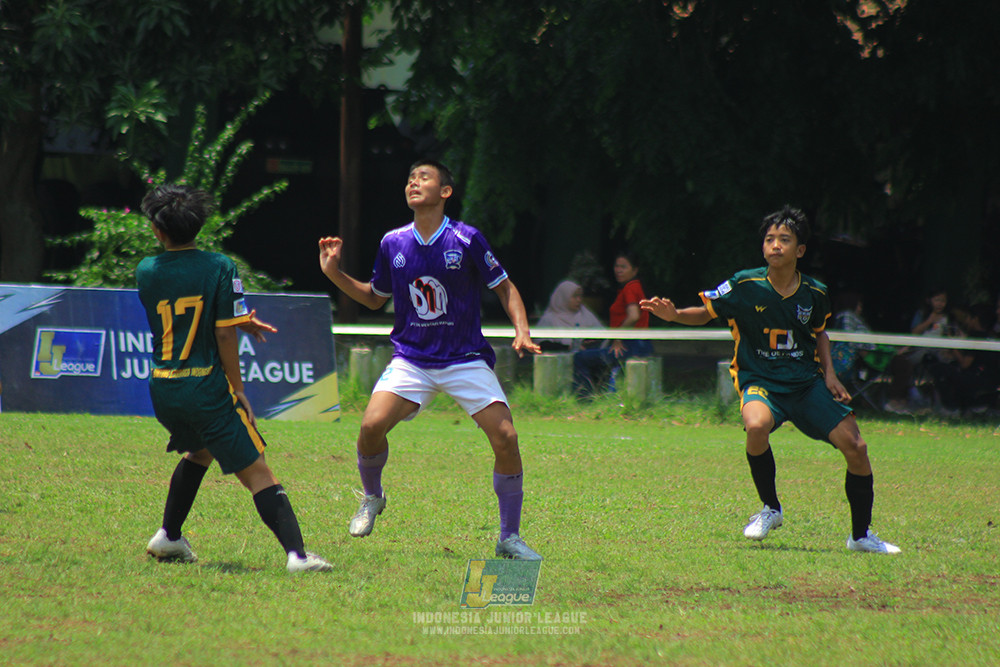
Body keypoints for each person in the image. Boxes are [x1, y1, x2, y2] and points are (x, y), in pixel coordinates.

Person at [640, 206, 900, 554]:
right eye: (769, 239)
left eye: (784, 239)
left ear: (800, 250)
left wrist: (830, 375)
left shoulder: (815, 291)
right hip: (760, 379)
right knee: (756, 425)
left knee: (857, 448)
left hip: (806, 384)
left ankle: (861, 536)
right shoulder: (744, 284)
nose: (775, 245)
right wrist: (674, 315)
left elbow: (820, 334)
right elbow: (705, 312)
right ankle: (770, 509)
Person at [318, 159, 543, 561]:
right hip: (413, 359)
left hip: (464, 358)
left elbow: (505, 287)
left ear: (445, 192)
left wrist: (522, 330)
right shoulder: (393, 242)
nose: (413, 183)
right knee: (370, 427)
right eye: (410, 178)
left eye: (423, 177)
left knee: (507, 439)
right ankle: (372, 496)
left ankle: (509, 538)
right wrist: (334, 273)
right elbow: (374, 298)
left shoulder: (467, 238)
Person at [137, 184, 332, 573]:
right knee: (258, 470)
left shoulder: (146, 270)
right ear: (200, 223)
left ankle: (169, 537)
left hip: (165, 386)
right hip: (204, 387)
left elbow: (187, 309)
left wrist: (236, 318)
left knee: (201, 451)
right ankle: (297, 556)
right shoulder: (219, 266)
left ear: (157, 230)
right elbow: (223, 333)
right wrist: (238, 389)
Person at [572, 251, 653, 397]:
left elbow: (634, 315)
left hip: (631, 345)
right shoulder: (633, 287)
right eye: (617, 266)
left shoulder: (630, 288)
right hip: (640, 344)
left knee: (579, 358)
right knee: (595, 355)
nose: (618, 270)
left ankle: (584, 398)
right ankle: (602, 395)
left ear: (635, 270)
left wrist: (618, 337)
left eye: (624, 267)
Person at [535, 279, 604, 352]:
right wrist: (566, 347)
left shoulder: (585, 314)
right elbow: (542, 344)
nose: (579, 300)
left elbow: (601, 334)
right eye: (574, 297)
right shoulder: (550, 318)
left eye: (580, 296)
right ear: (563, 297)